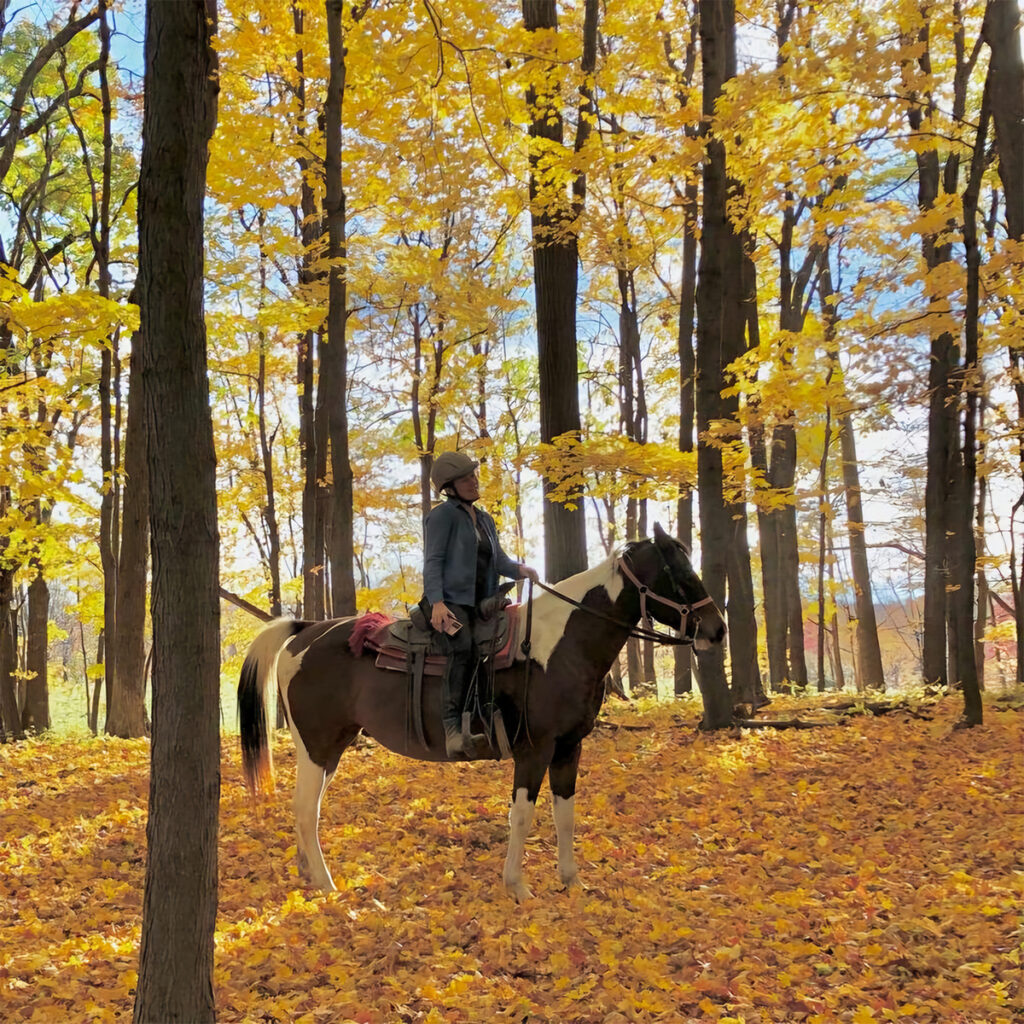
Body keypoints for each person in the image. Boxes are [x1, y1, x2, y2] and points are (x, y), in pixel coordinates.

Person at [423, 450, 539, 757]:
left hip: (482, 602)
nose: (474, 482)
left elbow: (498, 559)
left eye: (474, 476)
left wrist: (520, 570)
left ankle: (489, 720)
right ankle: (451, 729)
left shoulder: (485, 519)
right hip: (449, 603)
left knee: (497, 648)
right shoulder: (442, 516)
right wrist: (436, 602)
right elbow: (433, 561)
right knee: (462, 647)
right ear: (449, 486)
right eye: (466, 479)